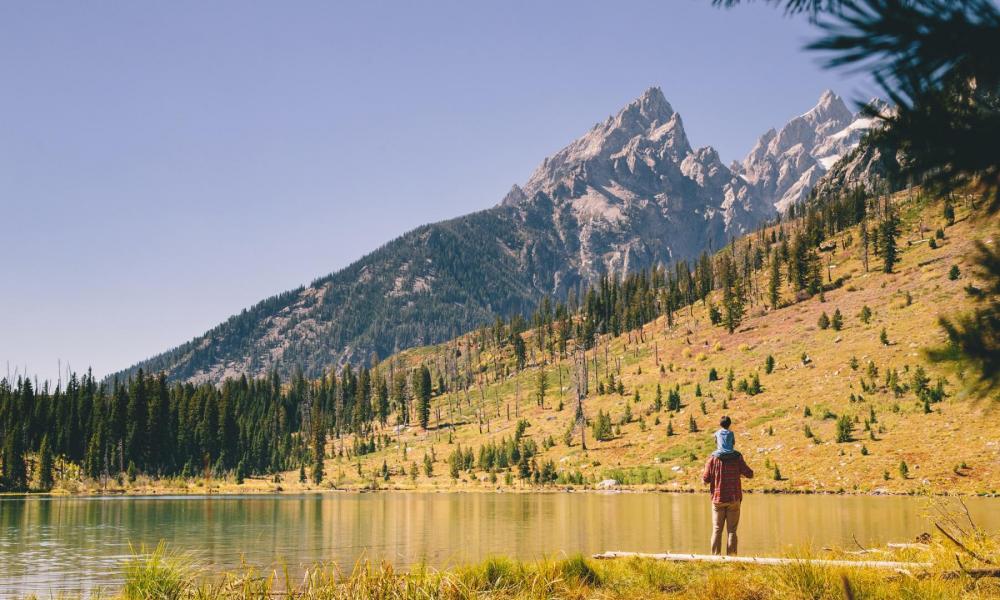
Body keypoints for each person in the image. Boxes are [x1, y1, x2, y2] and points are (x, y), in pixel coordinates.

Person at [701, 415, 753, 555]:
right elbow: (750, 474)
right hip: (734, 499)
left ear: (718, 441)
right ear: (732, 441)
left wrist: (709, 480)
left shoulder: (712, 459)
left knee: (717, 530)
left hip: (718, 499)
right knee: (732, 531)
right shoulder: (737, 457)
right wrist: (740, 474)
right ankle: (732, 559)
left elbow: (705, 479)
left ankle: (715, 558)